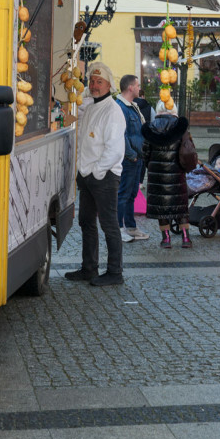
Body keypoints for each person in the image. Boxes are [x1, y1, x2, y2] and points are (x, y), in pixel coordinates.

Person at [66, 62, 126, 286]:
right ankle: (89, 267)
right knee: (86, 222)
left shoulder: (113, 111)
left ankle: (115, 272)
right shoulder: (91, 106)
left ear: (109, 85)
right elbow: (76, 121)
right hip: (87, 174)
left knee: (109, 224)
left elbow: (115, 150)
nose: (94, 85)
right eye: (92, 81)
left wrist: (97, 172)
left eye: (99, 82)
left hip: (104, 176)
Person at [142, 111, 198, 248]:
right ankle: (186, 238)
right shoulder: (180, 127)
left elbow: (145, 153)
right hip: (177, 172)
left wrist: (151, 165)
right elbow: (188, 149)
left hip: (157, 175)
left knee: (162, 208)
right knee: (180, 206)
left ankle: (166, 239)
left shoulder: (151, 128)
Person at [116, 75, 149, 242]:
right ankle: (119, 229)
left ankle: (131, 226)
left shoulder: (132, 106)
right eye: (137, 85)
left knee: (132, 194)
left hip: (137, 157)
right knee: (123, 194)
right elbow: (122, 135)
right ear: (130, 88)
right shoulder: (121, 107)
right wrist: (132, 155)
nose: (139, 88)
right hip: (129, 159)